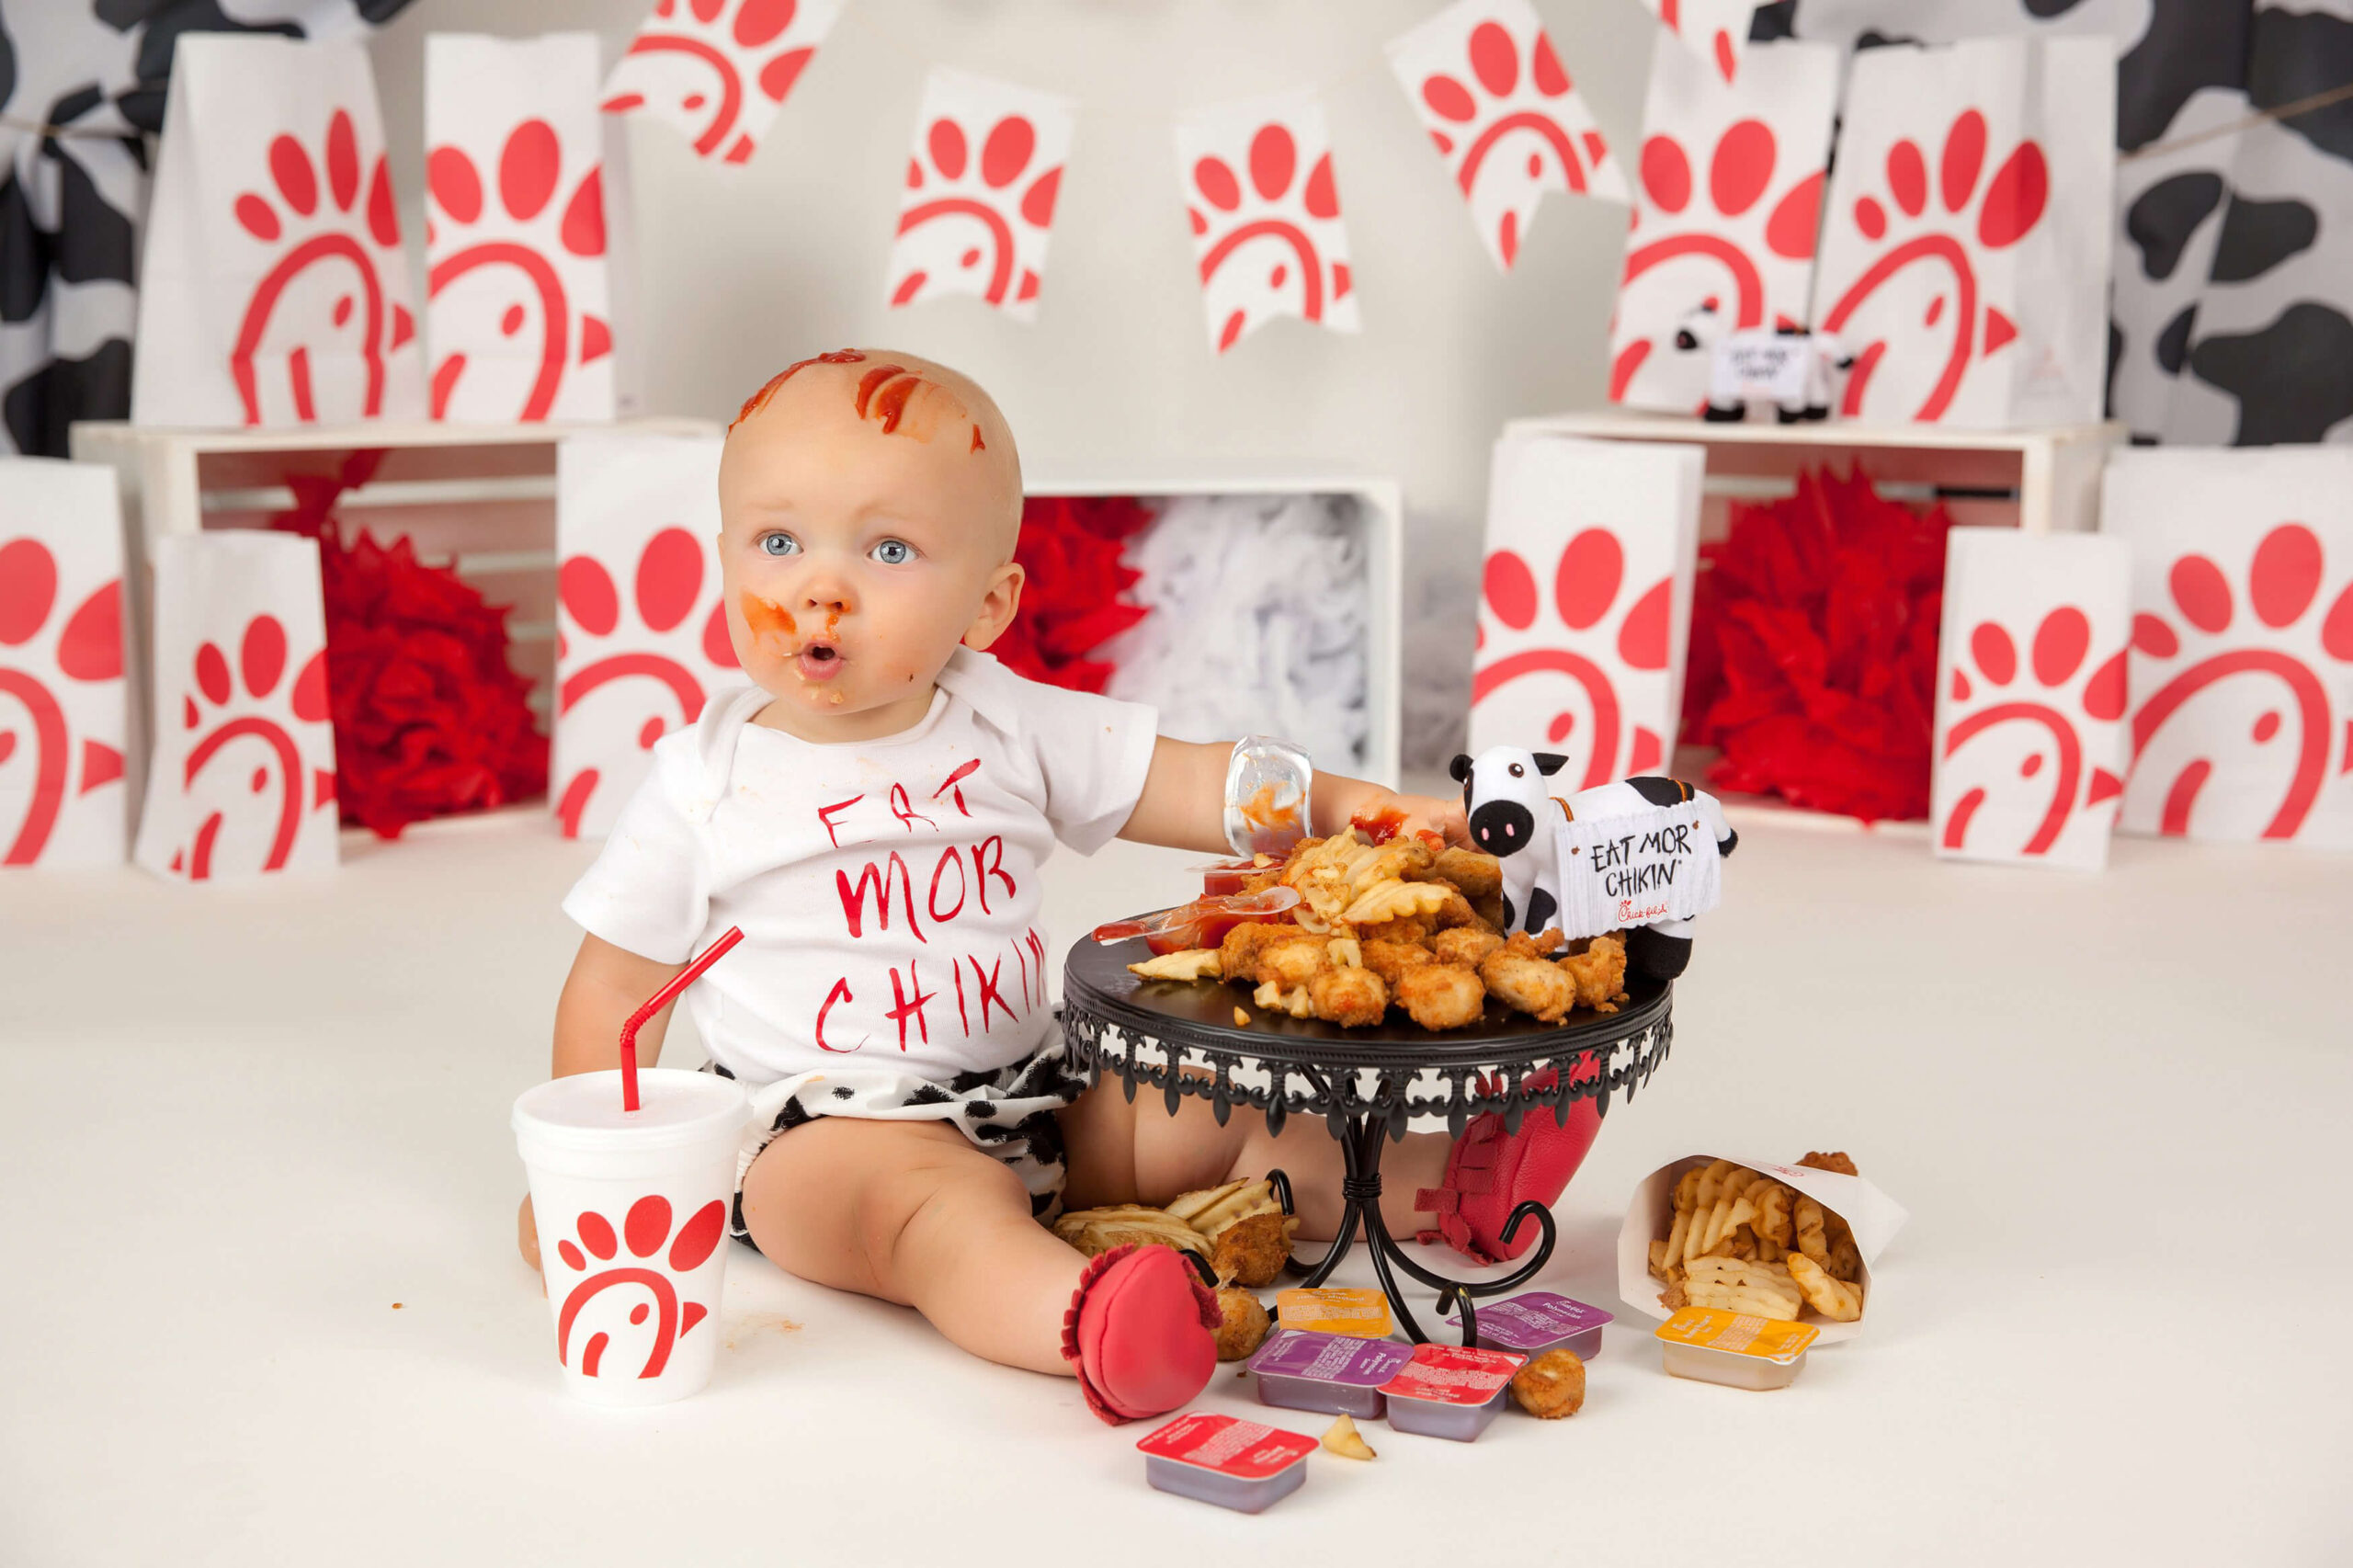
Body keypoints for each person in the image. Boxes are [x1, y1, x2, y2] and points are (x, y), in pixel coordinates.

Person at [517, 348, 1599, 1423]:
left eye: (888, 547)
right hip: (824, 1137)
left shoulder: (1006, 719)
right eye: (777, 539)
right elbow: (615, 988)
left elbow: (1185, 777)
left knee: (1204, 1101)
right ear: (722, 559)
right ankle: (1088, 1322)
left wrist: (1351, 806)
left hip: (1038, 1090)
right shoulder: (706, 780)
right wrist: (592, 1177)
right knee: (933, 1215)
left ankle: (1453, 1174)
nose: (820, 586)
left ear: (988, 605)